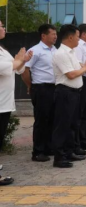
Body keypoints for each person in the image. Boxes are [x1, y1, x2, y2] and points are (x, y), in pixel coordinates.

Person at [51, 24, 86, 168]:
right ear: (70, 37)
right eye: (78, 36)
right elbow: (71, 74)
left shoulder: (72, 52)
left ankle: (69, 151)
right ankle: (59, 157)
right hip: (65, 92)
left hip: (75, 92)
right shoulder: (61, 53)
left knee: (73, 124)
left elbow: (79, 68)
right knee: (63, 125)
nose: (79, 39)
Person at [0, 19, 32, 181]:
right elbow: (5, 68)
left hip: (4, 103)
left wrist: (22, 60)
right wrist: (18, 60)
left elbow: (16, 68)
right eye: (1, 26)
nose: (4, 28)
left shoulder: (2, 49)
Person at [21, 24, 57, 162]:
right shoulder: (35, 50)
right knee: (41, 120)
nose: (55, 36)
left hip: (54, 88)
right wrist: (30, 85)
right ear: (43, 35)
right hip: (41, 88)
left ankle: (49, 147)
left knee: (52, 119)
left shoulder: (55, 50)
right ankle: (38, 151)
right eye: (53, 34)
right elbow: (25, 70)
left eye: (56, 34)